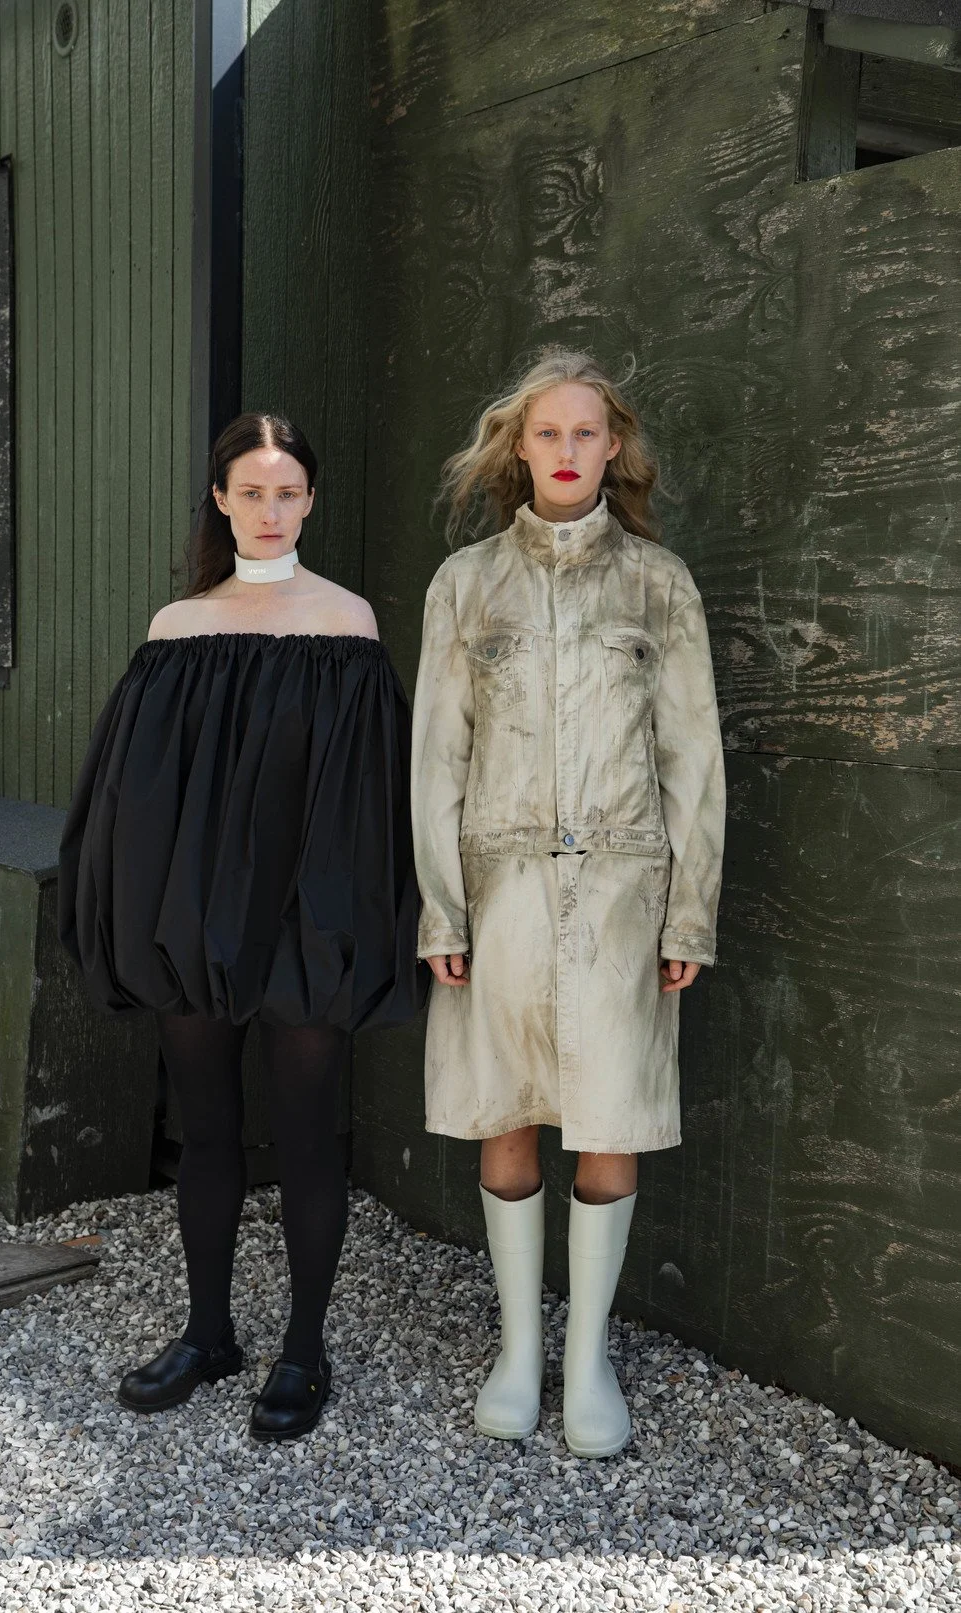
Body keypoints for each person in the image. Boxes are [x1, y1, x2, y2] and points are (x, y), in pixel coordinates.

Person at [58, 412, 428, 1440]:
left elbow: (363, 802)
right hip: (197, 922)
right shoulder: (175, 629)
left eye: (288, 492)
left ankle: (303, 1348)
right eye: (250, 492)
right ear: (219, 498)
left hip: (307, 920)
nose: (270, 511)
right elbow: (139, 800)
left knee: (309, 1130)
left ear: (312, 500)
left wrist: (350, 921)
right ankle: (208, 1330)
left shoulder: (348, 626)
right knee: (207, 1126)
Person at [410, 348, 725, 1458]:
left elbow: (692, 757)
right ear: (517, 447)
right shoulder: (465, 584)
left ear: (614, 447)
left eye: (586, 433)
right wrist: (441, 909)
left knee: (607, 1119)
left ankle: (584, 1353)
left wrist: (688, 912)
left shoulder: (658, 582)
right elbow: (436, 760)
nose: (567, 452)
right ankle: (516, 1347)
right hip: (499, 889)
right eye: (547, 433)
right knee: (504, 1110)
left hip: (622, 893)